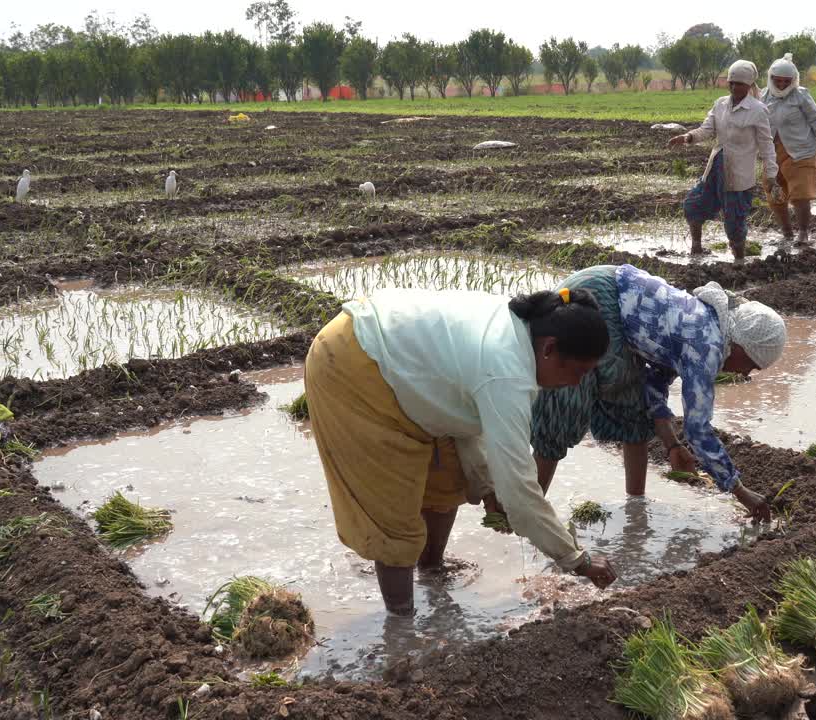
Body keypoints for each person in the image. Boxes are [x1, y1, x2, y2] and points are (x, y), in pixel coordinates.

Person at [303, 286, 619, 616]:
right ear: (550, 349)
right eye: (578, 372)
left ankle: (432, 572)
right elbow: (521, 495)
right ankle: (402, 628)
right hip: (351, 363)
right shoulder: (506, 371)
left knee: (447, 479)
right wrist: (577, 559)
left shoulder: (519, 332)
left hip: (397, 356)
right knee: (394, 514)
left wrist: (487, 486)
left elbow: (463, 415)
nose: (576, 384)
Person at [528, 264, 786, 524]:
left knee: (636, 407)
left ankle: (635, 510)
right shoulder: (706, 347)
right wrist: (740, 492)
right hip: (600, 297)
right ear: (743, 347)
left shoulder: (707, 325)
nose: (746, 374)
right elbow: (698, 431)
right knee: (565, 406)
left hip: (609, 292)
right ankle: (528, 516)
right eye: (752, 365)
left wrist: (672, 445)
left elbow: (655, 383)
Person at [669, 59, 780, 262]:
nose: (734, 87)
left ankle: (739, 260)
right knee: (693, 205)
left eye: (739, 84)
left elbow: (767, 145)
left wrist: (771, 174)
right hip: (716, 168)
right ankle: (696, 248)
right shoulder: (720, 104)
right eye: (731, 83)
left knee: (734, 222)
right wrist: (688, 137)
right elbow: (707, 129)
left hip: (739, 174)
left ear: (749, 85)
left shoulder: (758, 110)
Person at [760, 53, 816, 244]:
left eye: (787, 81)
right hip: (772, 153)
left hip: (801, 152)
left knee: (800, 194)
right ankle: (786, 233)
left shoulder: (801, 95)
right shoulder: (762, 96)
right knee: (775, 194)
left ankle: (803, 232)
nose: (782, 85)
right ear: (771, 79)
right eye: (778, 81)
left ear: (793, 80)